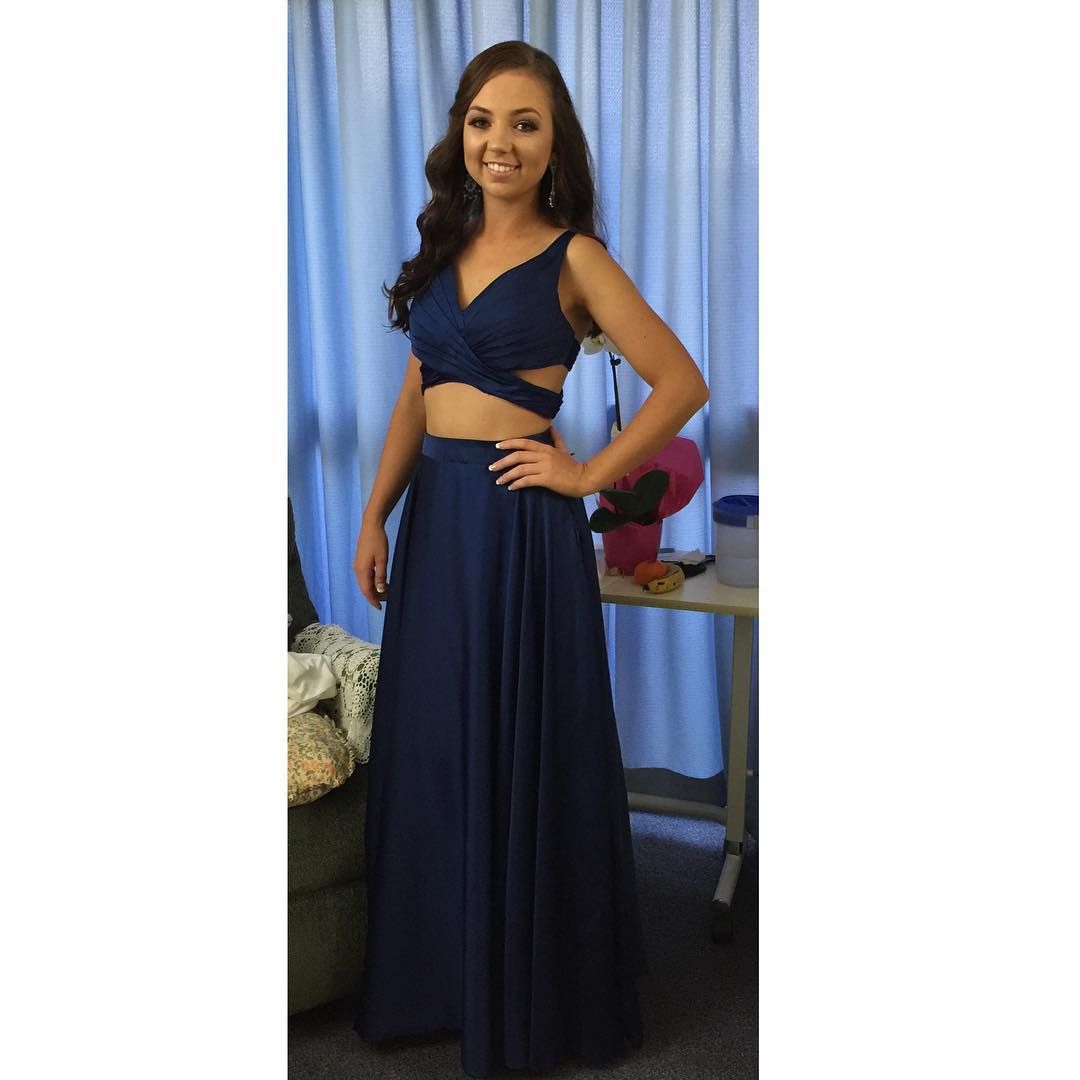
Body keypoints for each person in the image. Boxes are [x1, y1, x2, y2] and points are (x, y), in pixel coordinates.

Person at [351, 40, 709, 1079]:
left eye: (524, 123)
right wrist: (375, 515)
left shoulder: (576, 258)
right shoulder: (442, 246)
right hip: (438, 525)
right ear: (459, 135)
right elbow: (417, 397)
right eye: (482, 121)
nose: (499, 142)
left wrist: (586, 472)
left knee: (526, 744)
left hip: (519, 527)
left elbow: (681, 382)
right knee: (439, 744)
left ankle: (531, 988)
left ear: (555, 146)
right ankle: (441, 981)